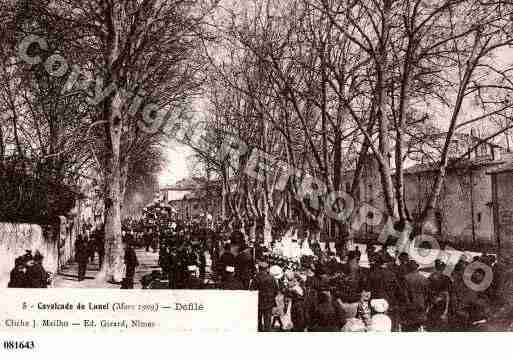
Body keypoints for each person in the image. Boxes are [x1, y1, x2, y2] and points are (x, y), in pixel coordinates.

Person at [251, 262, 278, 332]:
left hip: (258, 302)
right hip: (269, 302)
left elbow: (252, 291)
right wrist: (271, 297)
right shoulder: (271, 278)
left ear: (259, 269)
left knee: (258, 321)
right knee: (267, 321)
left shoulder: (256, 278)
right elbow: (276, 290)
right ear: (266, 269)